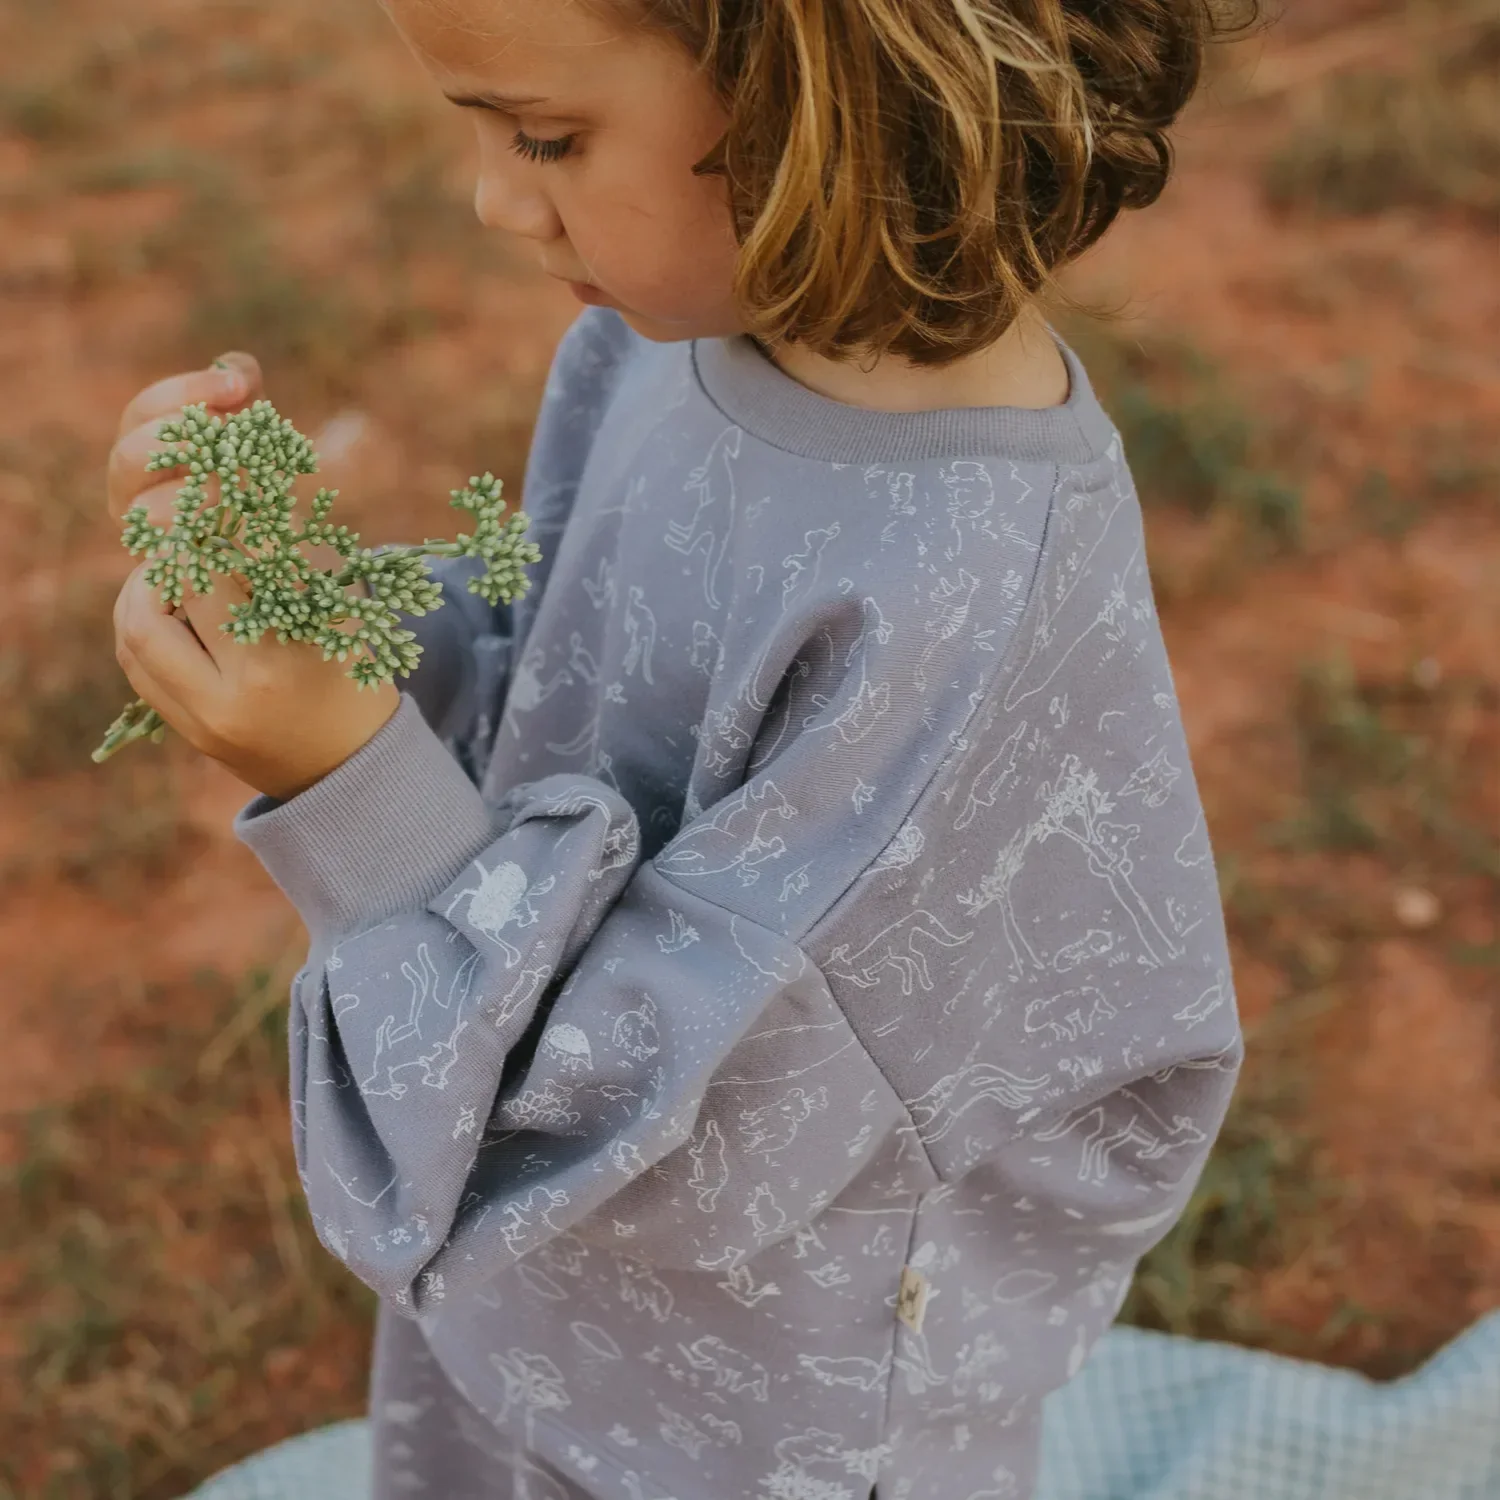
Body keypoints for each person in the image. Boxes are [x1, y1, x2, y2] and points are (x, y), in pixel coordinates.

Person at [107, 1, 1260, 1496]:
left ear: (834, 87)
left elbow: (638, 1119)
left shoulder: (955, 603)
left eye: (544, 136)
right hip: (559, 1323)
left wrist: (352, 788)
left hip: (759, 1410)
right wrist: (333, 631)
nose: (492, 197)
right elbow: (566, 664)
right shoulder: (664, 342)